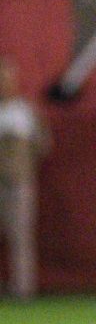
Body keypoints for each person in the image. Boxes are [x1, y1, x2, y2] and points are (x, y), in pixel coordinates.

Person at [0, 57, 49, 298]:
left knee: (20, 235)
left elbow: (43, 145)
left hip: (19, 181)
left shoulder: (24, 111)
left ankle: (23, 290)